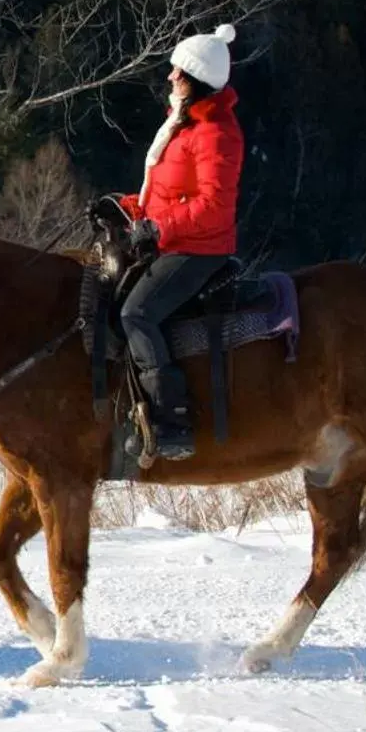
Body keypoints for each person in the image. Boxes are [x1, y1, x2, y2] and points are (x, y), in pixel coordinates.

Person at [116, 24, 244, 461]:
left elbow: (213, 206)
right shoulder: (185, 125)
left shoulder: (215, 133)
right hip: (173, 239)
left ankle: (172, 421)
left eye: (178, 72)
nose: (170, 77)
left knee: (136, 313)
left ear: (198, 81)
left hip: (200, 249)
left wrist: (158, 229)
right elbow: (168, 193)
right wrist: (126, 207)